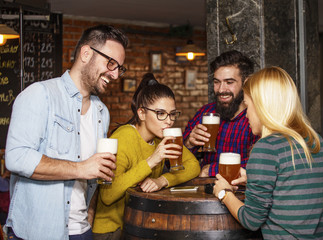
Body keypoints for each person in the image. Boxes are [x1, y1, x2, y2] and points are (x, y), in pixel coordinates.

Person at [4, 25, 129, 240]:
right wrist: (81, 168)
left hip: (81, 231)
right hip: (38, 232)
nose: (115, 74)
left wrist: (89, 213)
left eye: (120, 68)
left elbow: (95, 174)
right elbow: (16, 158)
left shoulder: (102, 111)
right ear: (86, 53)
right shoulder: (40, 94)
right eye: (111, 63)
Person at [213, 66, 323, 239]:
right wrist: (252, 179)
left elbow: (251, 220)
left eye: (247, 105)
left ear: (262, 107)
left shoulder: (266, 148)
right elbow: (291, 188)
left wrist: (224, 193)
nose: (245, 114)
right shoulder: (314, 140)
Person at [92, 73, 200, 240]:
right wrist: (151, 161)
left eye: (172, 114)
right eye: (161, 113)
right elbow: (107, 196)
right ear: (141, 113)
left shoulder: (162, 137)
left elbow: (193, 166)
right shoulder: (124, 137)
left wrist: (161, 180)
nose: (169, 121)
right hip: (112, 231)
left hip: (141, 226)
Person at [183, 50, 259, 177]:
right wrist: (189, 143)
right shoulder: (206, 112)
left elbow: (258, 165)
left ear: (245, 83)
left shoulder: (256, 117)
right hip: (202, 193)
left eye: (229, 82)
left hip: (239, 194)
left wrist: (211, 170)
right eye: (217, 82)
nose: (221, 89)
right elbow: (174, 163)